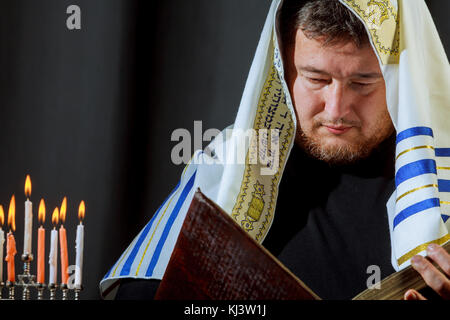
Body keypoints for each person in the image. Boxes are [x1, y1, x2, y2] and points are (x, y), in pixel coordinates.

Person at [100, 0, 450, 300]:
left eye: (362, 83)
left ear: (402, 76)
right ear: (282, 66)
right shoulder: (227, 170)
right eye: (316, 79)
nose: (336, 109)